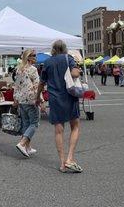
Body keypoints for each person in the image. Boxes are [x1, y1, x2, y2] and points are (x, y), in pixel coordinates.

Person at [36, 40, 83, 173]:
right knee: (75, 126)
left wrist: (37, 97)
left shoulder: (47, 62)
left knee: (58, 130)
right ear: (64, 48)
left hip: (55, 98)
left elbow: (41, 82)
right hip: (69, 96)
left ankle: (62, 163)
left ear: (53, 49)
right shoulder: (68, 58)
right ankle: (70, 158)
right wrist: (76, 69)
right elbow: (75, 74)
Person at [13, 49, 45, 157]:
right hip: (31, 100)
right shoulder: (33, 69)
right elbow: (37, 86)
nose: (36, 57)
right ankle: (22, 144)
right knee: (34, 123)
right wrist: (41, 100)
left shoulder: (19, 69)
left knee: (26, 124)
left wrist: (15, 99)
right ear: (29, 57)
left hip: (22, 100)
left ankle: (28, 147)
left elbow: (16, 85)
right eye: (34, 55)